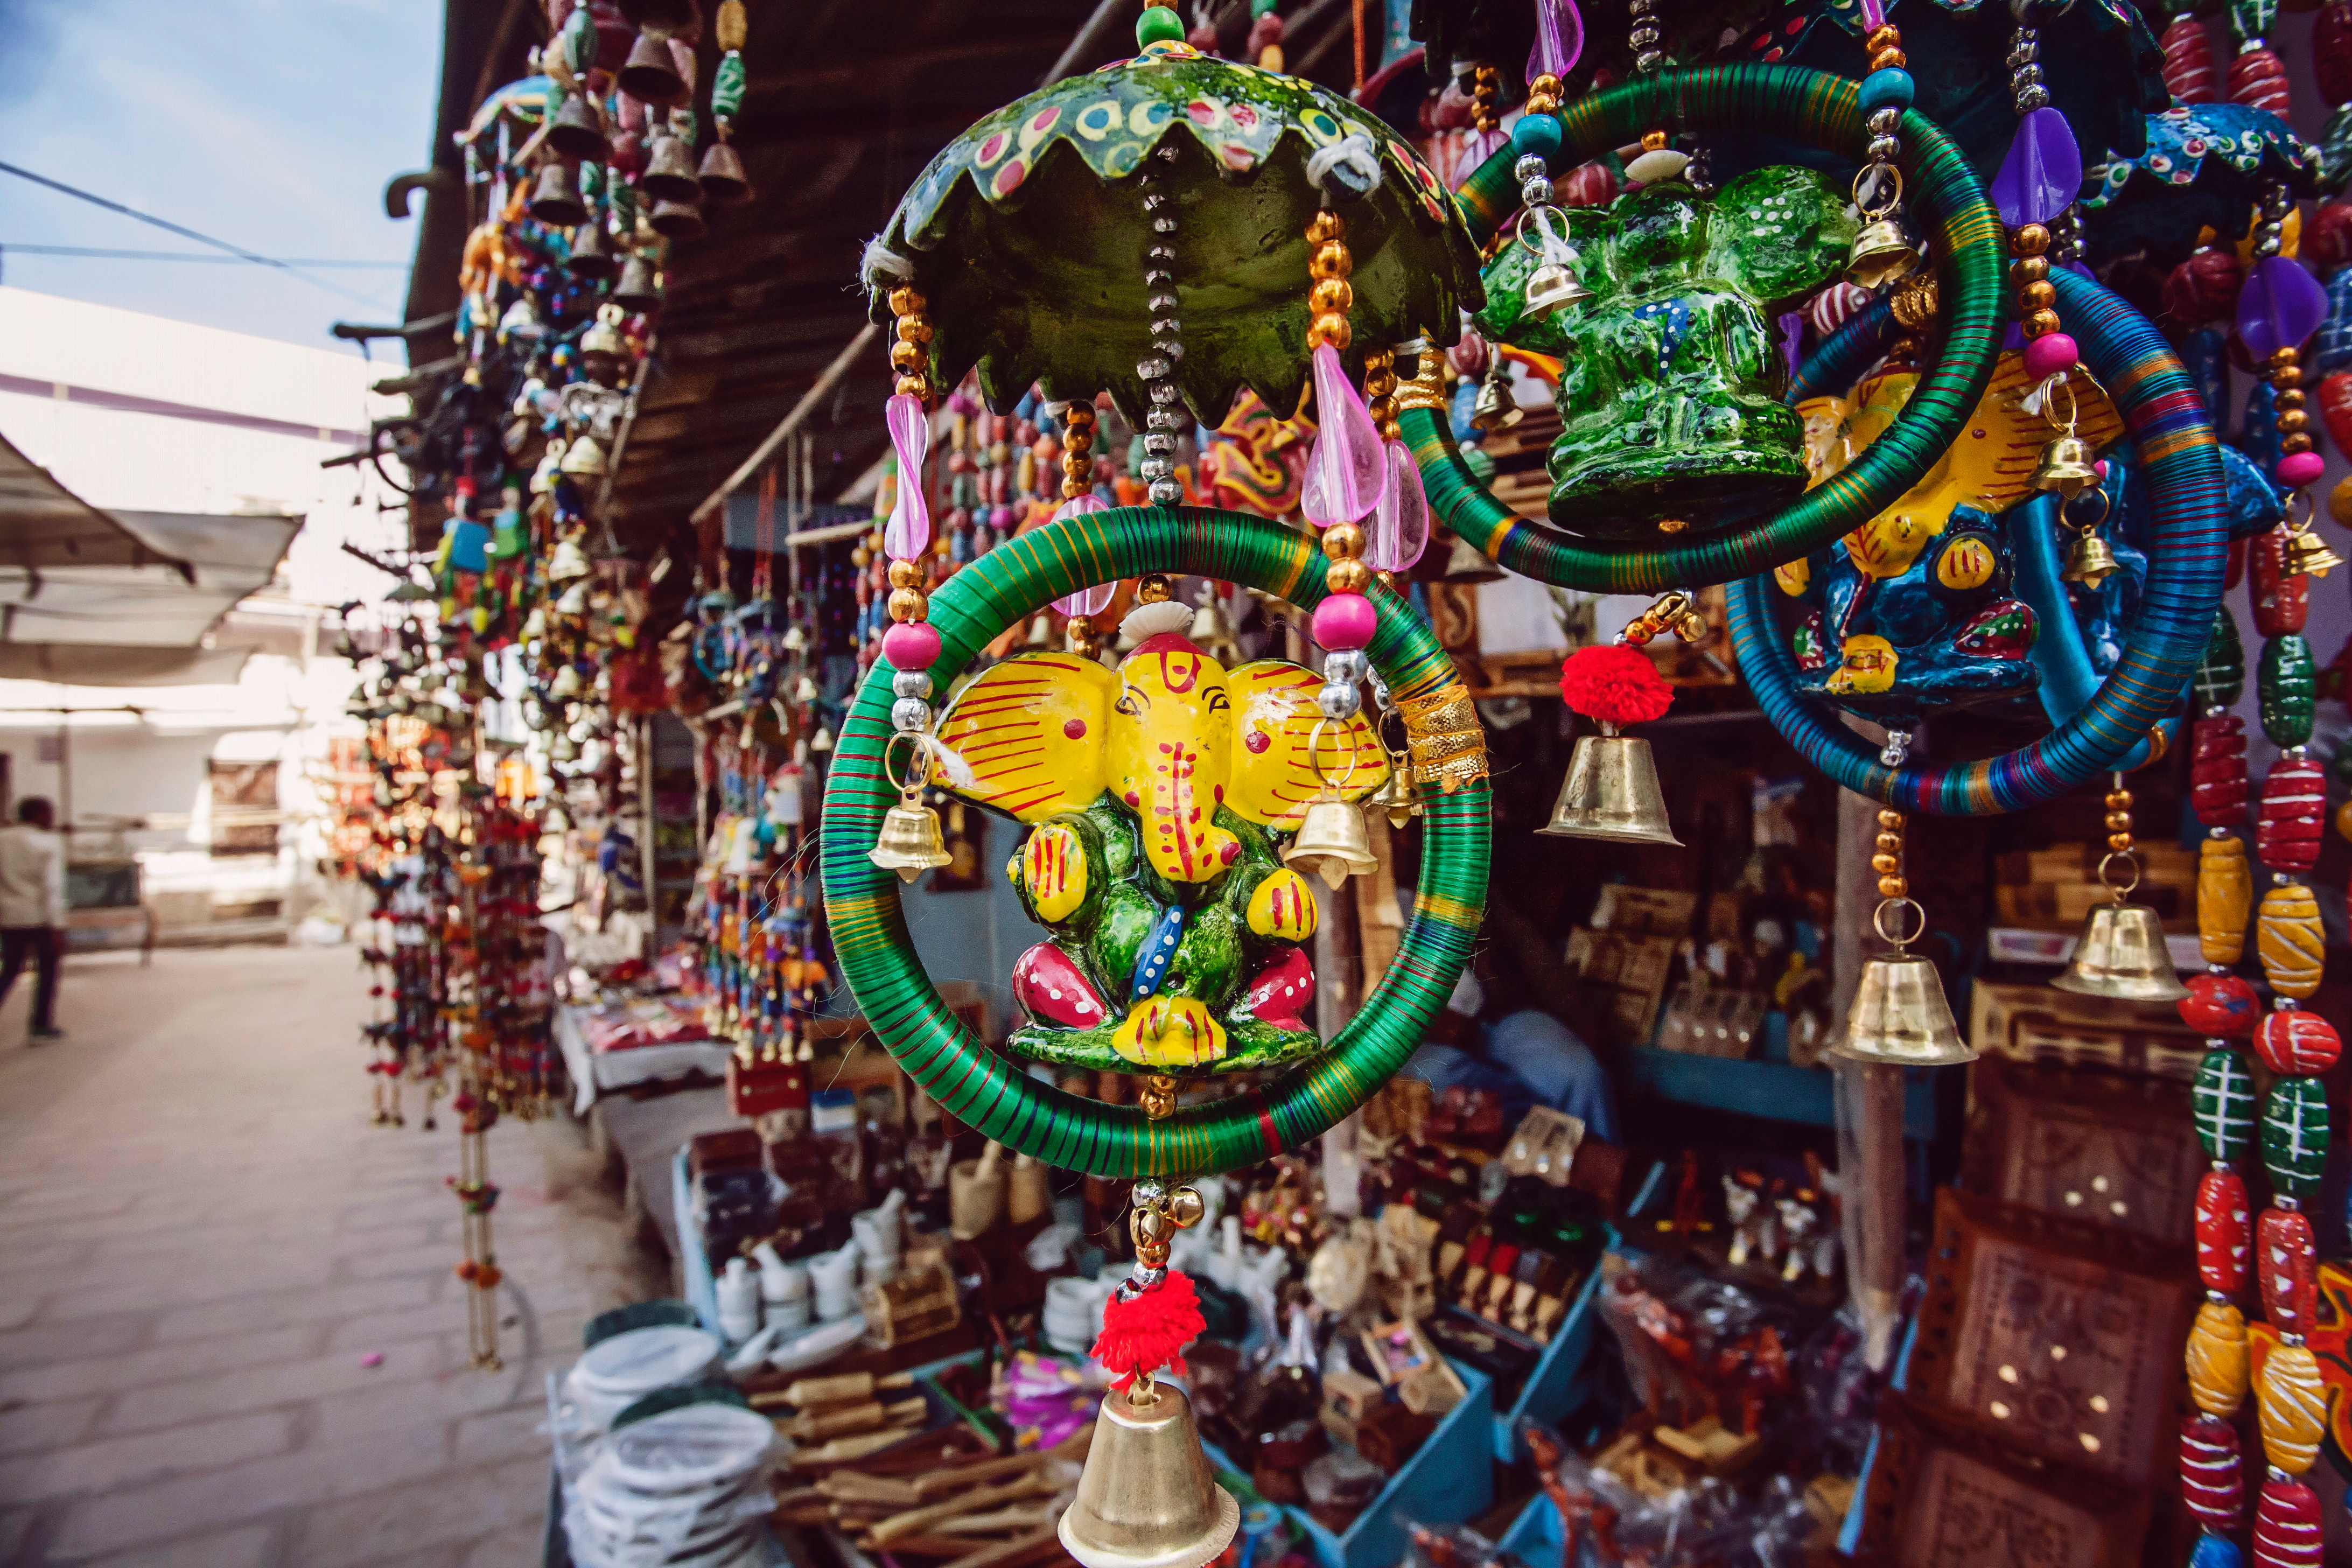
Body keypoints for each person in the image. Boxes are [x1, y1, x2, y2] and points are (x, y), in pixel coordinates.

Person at [1404, 965, 1619, 1143]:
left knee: (1579, 1076)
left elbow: (1535, 960)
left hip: (1500, 1020)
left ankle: (1608, 1164)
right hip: (1429, 1048)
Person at [0, 797, 66, 1042]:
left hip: (9, 916)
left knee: (10, 970)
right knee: (48, 968)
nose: (52, 820)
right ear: (39, 815)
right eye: (50, 814)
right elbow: (53, 887)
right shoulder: (48, 843)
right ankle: (41, 1025)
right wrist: (57, 926)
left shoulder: (3, 839)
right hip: (39, 917)